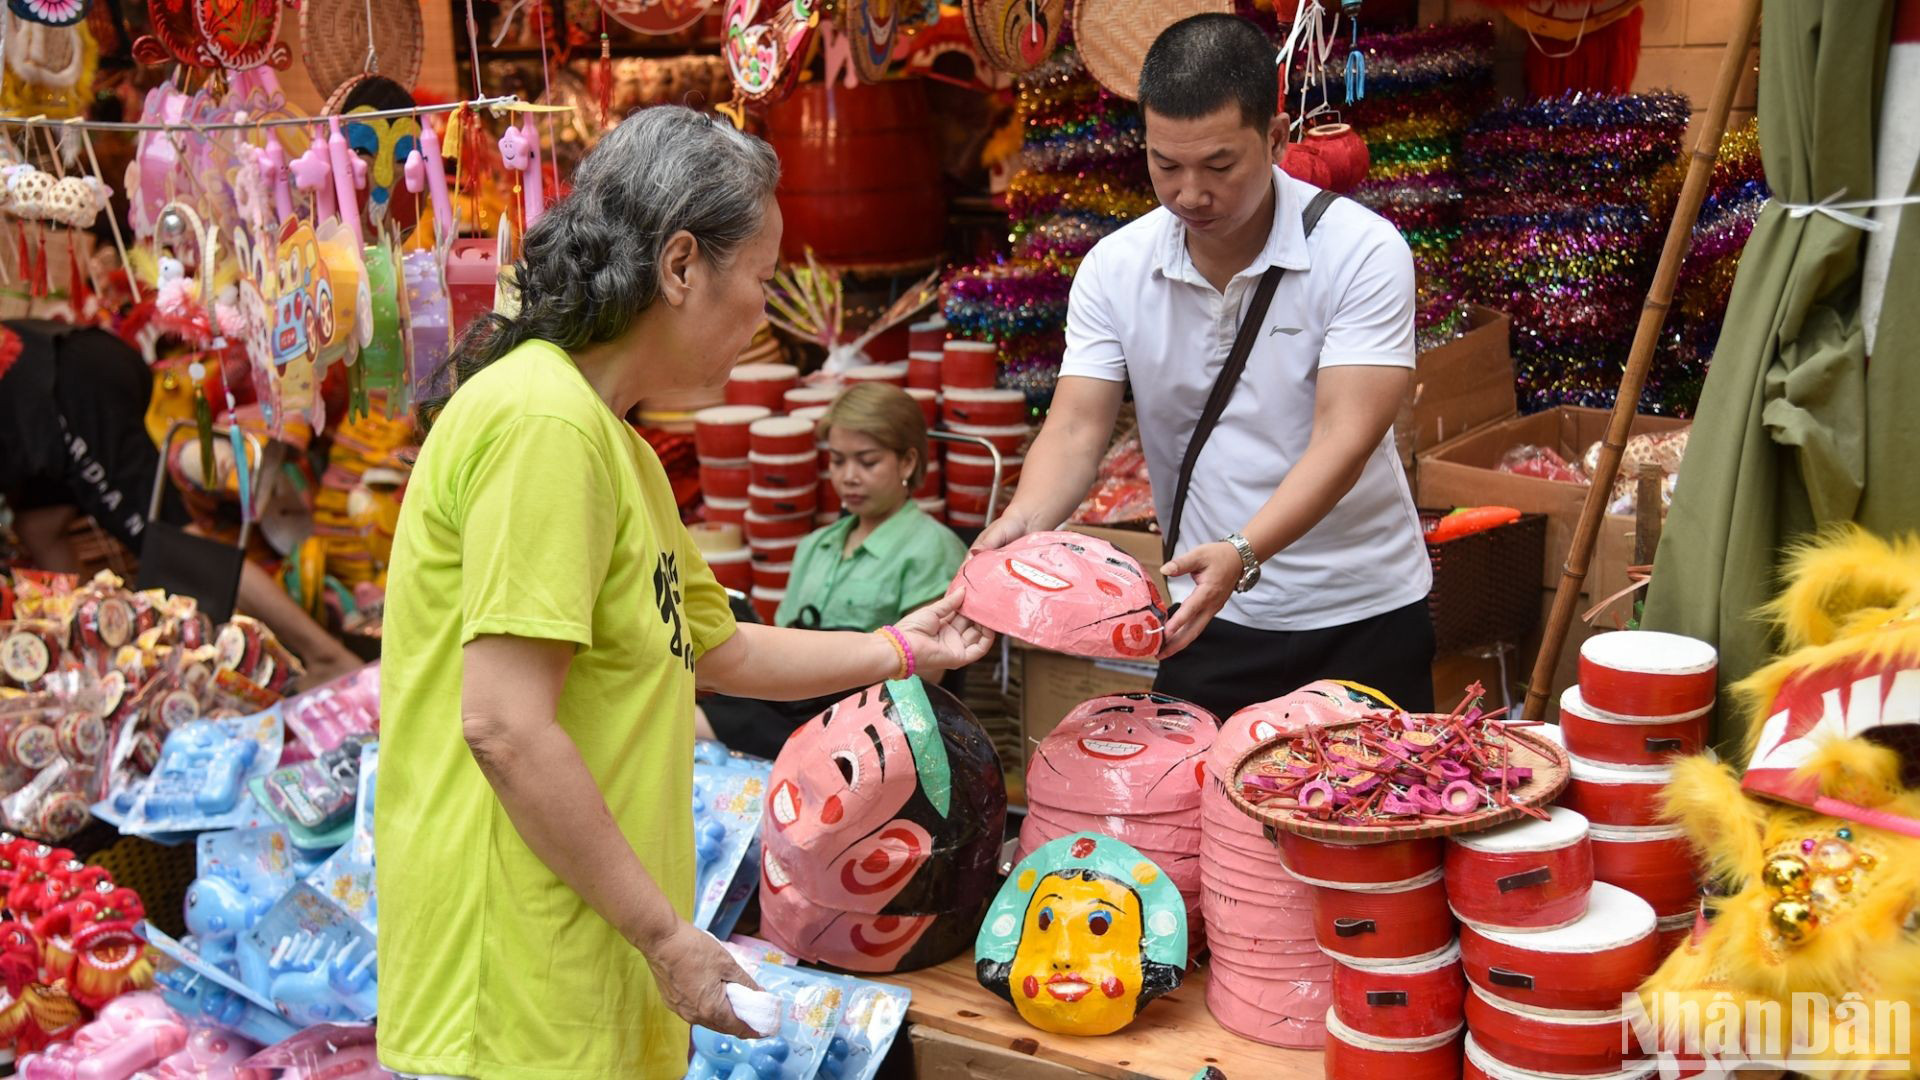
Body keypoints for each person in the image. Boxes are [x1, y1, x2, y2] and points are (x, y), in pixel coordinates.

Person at [375, 106, 994, 1079]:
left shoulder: (616, 446)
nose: (763, 313)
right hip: (510, 997)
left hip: (574, 976)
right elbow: (504, 724)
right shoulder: (546, 424)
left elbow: (725, 650)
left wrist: (908, 648)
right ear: (679, 266)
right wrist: (666, 936)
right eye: (758, 280)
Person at [974, 13, 1435, 719]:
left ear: (1277, 139)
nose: (1190, 192)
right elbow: (1073, 432)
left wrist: (1243, 552)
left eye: (1219, 165)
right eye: (1166, 164)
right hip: (1207, 615)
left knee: (1370, 817)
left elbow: (1345, 437)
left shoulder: (1362, 253)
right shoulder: (1115, 269)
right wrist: (1020, 524)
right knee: (1200, 821)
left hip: (1360, 613)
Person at [0, 319, 363, 682]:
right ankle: (83, 663)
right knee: (40, 529)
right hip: (45, 396)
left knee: (179, 545)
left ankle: (325, 654)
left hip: (68, 389)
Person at [698, 382, 969, 758]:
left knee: (717, 724)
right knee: (695, 714)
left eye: (867, 461)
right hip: (792, 701)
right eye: (838, 461)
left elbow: (928, 673)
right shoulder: (815, 546)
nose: (849, 476)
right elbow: (781, 644)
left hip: (867, 725)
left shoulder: (932, 550)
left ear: (907, 462)